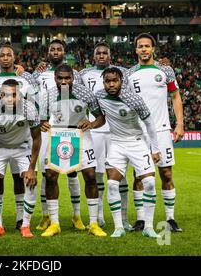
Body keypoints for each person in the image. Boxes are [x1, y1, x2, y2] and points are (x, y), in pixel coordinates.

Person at [126, 33, 184, 233]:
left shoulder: (165, 70)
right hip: (138, 133)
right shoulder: (129, 73)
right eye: (140, 46)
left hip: (161, 130)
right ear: (136, 50)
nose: (143, 49)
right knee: (139, 176)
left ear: (153, 49)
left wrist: (180, 124)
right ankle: (141, 220)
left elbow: (175, 97)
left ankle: (170, 219)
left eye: (147, 46)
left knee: (166, 173)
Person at [40, 64, 106, 237]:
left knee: (91, 176)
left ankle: (93, 223)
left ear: (73, 78)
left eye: (67, 78)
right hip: (58, 135)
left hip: (81, 135)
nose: (63, 81)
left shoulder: (85, 93)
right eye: (60, 78)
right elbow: (41, 120)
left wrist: (91, 124)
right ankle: (55, 223)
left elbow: (101, 117)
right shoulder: (47, 95)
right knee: (51, 177)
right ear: (54, 78)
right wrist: (42, 123)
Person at [0, 44, 38, 230]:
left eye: (8, 55)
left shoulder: (25, 78)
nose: (5, 58)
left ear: (14, 57)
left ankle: (21, 220)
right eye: (1, 55)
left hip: (22, 138)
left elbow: (34, 103)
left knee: (21, 179)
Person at [95, 67, 160, 238]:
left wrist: (155, 148)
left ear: (122, 81)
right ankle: (118, 227)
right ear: (103, 83)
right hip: (116, 143)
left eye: (114, 80)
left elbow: (150, 123)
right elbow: (99, 116)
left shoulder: (133, 99)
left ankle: (148, 227)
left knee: (151, 183)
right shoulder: (99, 96)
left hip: (137, 142)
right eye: (107, 81)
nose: (111, 84)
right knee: (112, 184)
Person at [33, 39, 86, 232]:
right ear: (47, 52)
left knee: (73, 172)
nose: (55, 52)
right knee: (47, 173)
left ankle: (76, 216)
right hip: (48, 129)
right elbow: (31, 96)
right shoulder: (38, 73)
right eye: (52, 49)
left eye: (59, 49)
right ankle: (46, 215)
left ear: (64, 52)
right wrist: (39, 119)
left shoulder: (76, 75)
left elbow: (81, 96)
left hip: (70, 127)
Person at [79, 42, 132, 231]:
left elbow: (144, 67)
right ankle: (99, 216)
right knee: (97, 175)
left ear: (110, 55)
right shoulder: (83, 74)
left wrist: (161, 63)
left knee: (121, 175)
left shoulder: (123, 72)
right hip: (96, 131)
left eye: (105, 53)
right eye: (98, 53)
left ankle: (124, 218)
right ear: (94, 56)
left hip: (119, 129)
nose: (101, 56)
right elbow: (65, 80)